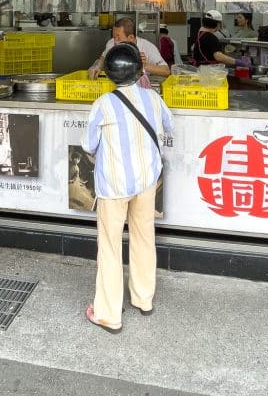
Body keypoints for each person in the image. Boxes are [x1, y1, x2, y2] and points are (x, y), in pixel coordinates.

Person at [82, 43, 173, 334]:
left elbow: (88, 145)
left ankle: (109, 313)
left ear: (108, 75)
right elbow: (168, 126)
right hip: (146, 181)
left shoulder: (103, 104)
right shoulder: (153, 99)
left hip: (114, 186)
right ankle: (143, 298)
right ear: (139, 70)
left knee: (109, 245)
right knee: (144, 237)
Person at [87, 17, 169, 87]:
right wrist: (96, 66)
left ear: (131, 37)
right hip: (115, 86)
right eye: (114, 36)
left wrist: (145, 65)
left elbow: (166, 71)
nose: (115, 41)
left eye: (118, 37)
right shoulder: (111, 43)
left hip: (138, 88)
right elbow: (102, 59)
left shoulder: (147, 47)